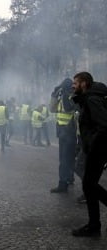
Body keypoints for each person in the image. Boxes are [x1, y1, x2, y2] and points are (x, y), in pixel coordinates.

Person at [71, 72, 107, 237]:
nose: (73, 86)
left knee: (88, 185)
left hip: (98, 149)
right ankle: (94, 225)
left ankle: (94, 226)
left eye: (75, 83)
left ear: (84, 83)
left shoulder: (92, 99)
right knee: (89, 185)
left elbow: (103, 125)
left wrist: (92, 144)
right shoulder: (89, 98)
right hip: (96, 148)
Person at [49, 78, 76, 193]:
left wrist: (65, 95)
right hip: (62, 131)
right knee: (68, 158)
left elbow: (69, 108)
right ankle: (69, 178)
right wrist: (54, 95)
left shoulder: (72, 97)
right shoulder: (61, 97)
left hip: (69, 132)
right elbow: (52, 109)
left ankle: (62, 184)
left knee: (64, 159)